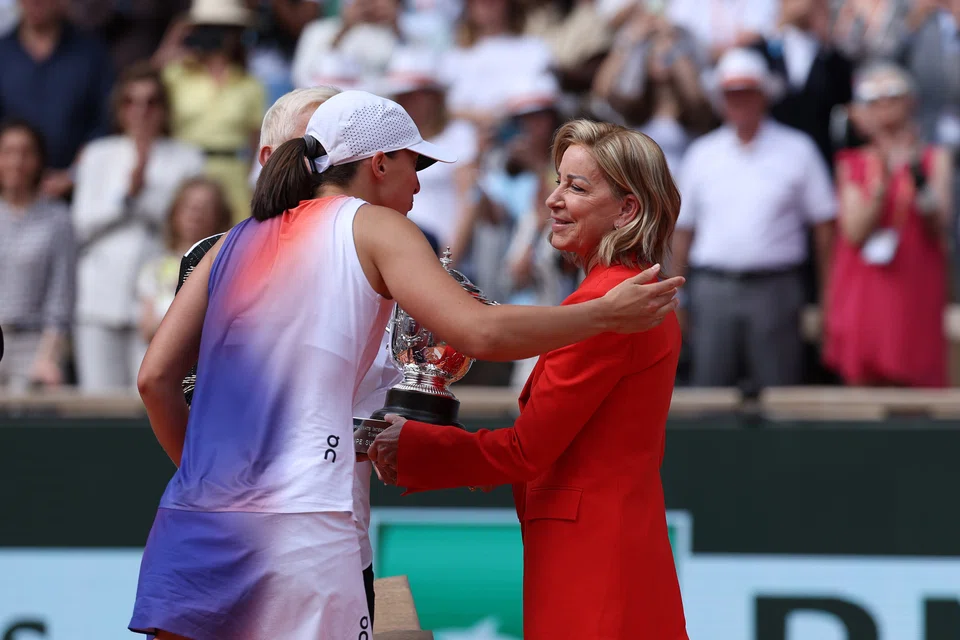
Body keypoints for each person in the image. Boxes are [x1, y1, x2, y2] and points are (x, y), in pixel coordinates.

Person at [129, 91, 684, 640]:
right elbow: (480, 332)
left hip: (192, 522)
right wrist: (604, 316)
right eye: (414, 165)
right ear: (379, 164)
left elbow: (154, 380)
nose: (420, 184)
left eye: (575, 186)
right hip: (304, 526)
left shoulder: (229, 243)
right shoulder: (376, 226)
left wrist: (217, 481)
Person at [367, 119, 688, 640]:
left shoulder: (606, 305)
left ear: (627, 209)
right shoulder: (625, 295)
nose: (553, 200)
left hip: (592, 559)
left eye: (577, 188)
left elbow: (524, 452)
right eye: (557, 181)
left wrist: (416, 449)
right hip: (611, 542)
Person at [254, 84, 399, 624]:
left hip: (341, 538)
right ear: (273, 159)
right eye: (316, 148)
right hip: (256, 534)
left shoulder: (379, 253)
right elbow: (187, 393)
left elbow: (399, 391)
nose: (329, 165)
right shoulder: (224, 252)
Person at [72, 62, 205, 392]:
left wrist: (142, 198)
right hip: (100, 294)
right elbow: (81, 224)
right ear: (120, 108)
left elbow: (190, 225)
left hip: (160, 300)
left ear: (164, 107)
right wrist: (126, 197)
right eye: (131, 101)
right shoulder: (98, 154)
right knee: (97, 400)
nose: (141, 111)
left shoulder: (187, 158)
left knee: (151, 397)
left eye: (151, 101)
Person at [824, 62, 951, 387]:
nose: (884, 103)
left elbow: (940, 223)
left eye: (893, 93)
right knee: (863, 385)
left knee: (918, 385)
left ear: (911, 100)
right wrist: (883, 180)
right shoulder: (852, 162)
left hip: (913, 286)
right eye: (873, 96)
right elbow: (854, 231)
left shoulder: (934, 158)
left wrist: (912, 171)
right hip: (866, 289)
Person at [0, 119, 75, 391]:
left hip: (33, 345)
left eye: (26, 152)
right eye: (8, 152)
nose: (16, 162)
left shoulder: (57, 219)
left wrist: (48, 356)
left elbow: (61, 294)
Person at [137, 177, 233, 345]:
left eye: (206, 207)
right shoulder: (154, 268)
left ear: (220, 216)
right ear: (174, 213)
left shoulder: (228, 268)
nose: (196, 212)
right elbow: (148, 330)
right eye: (189, 206)